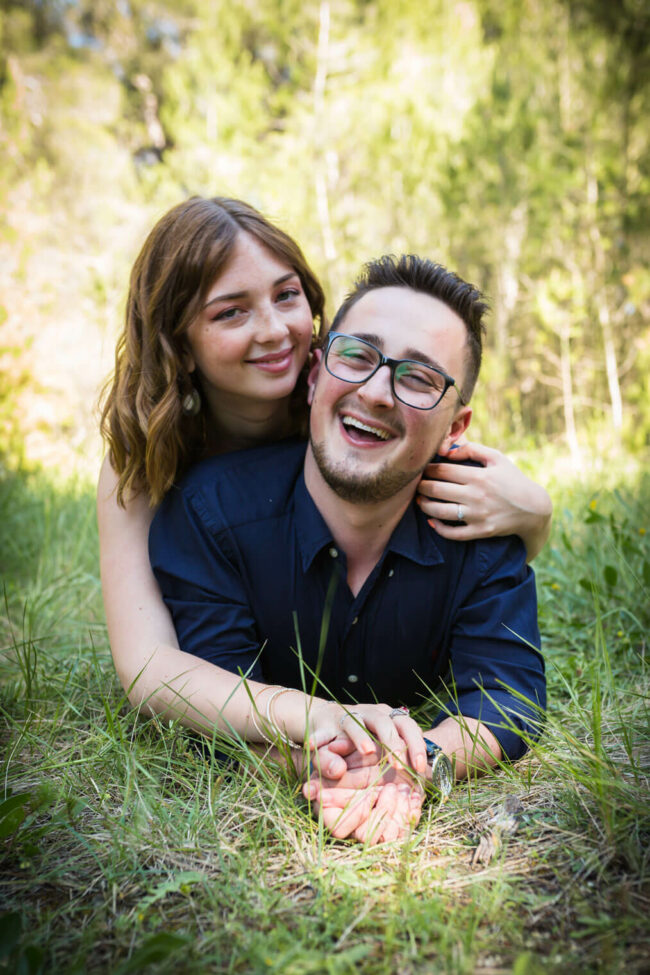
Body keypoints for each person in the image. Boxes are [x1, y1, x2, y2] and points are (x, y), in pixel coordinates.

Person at [98, 197, 550, 835]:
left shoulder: (412, 450)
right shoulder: (167, 479)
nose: (273, 331)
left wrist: (534, 515)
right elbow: (154, 671)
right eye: (229, 311)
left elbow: (510, 694)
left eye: (286, 296)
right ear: (181, 345)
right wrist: (321, 728)